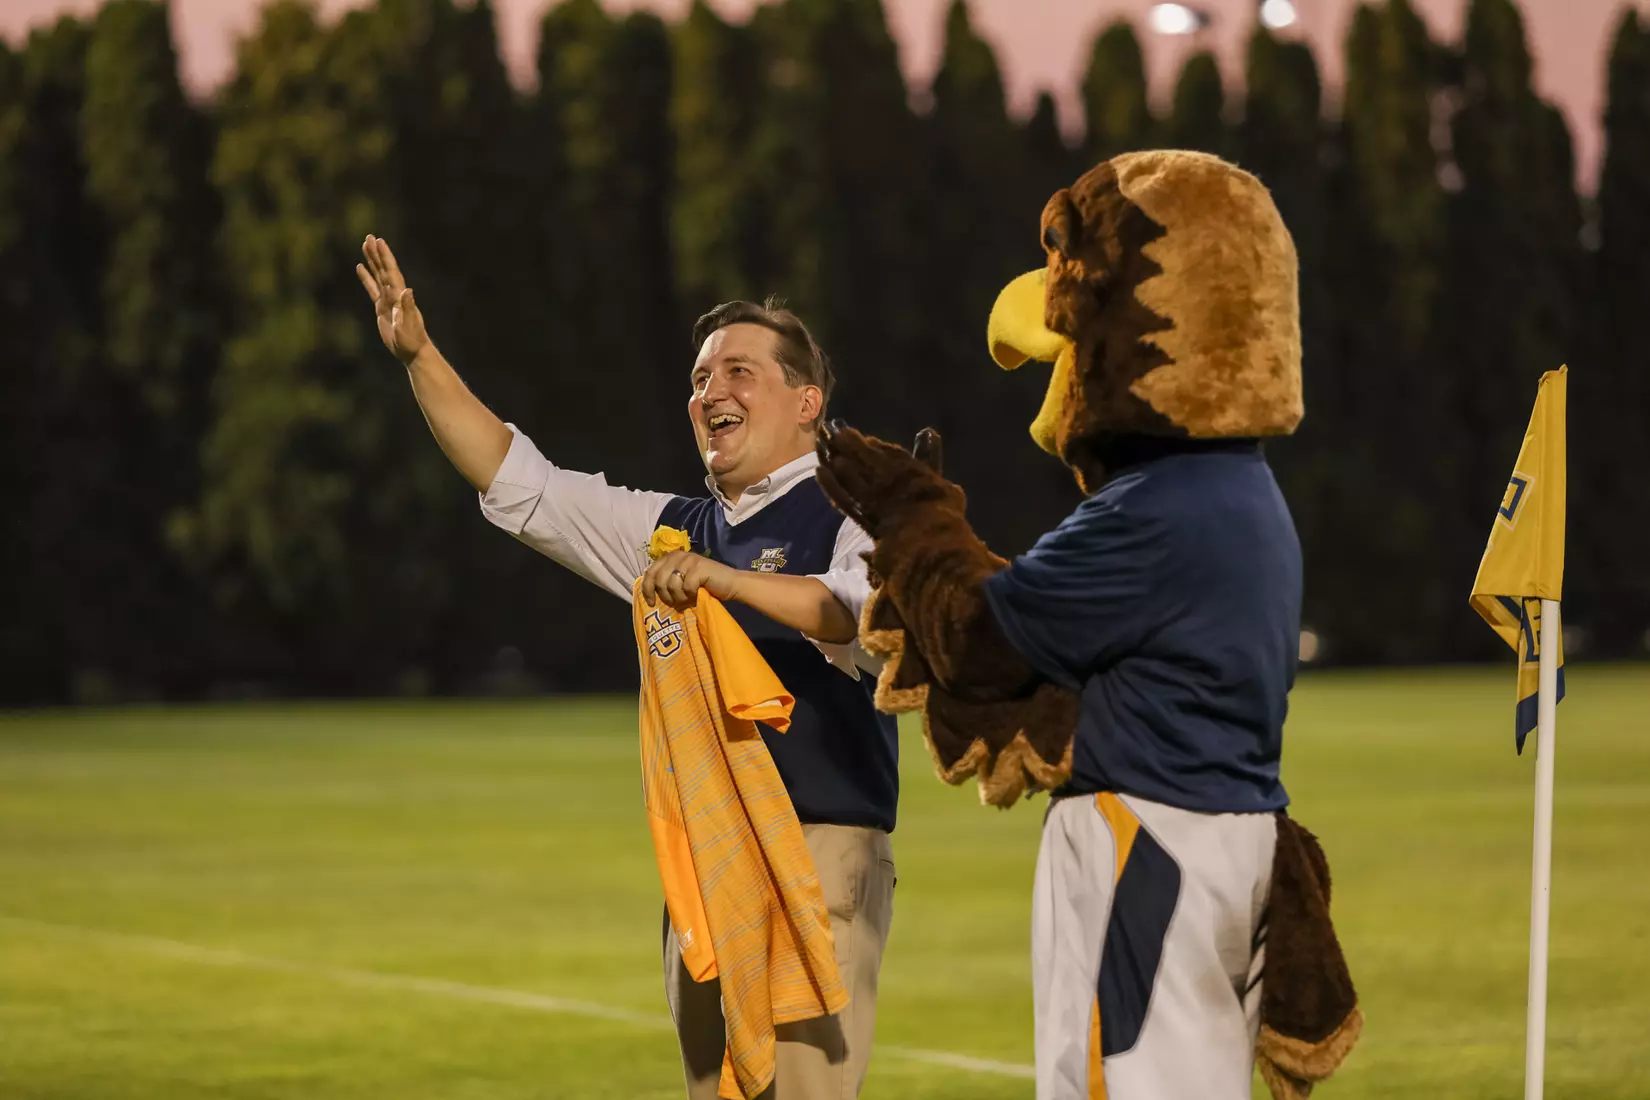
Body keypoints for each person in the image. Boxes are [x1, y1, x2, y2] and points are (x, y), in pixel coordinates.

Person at [356, 235, 898, 1100]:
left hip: (817, 850)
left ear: (807, 402)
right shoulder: (678, 531)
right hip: (709, 864)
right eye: (699, 380)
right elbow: (521, 484)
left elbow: (863, 612)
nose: (710, 392)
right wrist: (418, 356)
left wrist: (727, 583)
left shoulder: (859, 506)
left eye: (738, 372)